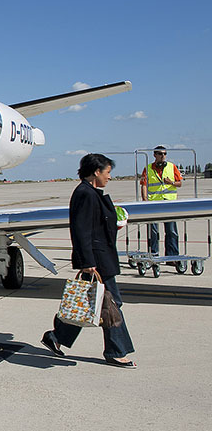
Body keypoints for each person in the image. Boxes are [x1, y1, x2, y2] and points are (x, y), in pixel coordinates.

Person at [41, 153, 136, 368]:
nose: (109, 177)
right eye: (108, 172)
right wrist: (87, 261)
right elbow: (81, 230)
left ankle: (57, 337)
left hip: (98, 257)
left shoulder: (91, 193)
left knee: (87, 304)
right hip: (96, 260)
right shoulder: (85, 194)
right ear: (96, 171)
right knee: (111, 304)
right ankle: (116, 351)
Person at [140, 145, 182, 257]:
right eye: (160, 153)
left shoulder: (172, 167)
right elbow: (144, 185)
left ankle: (172, 255)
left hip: (169, 202)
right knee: (153, 231)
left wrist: (171, 182)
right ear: (154, 155)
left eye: (164, 154)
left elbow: (179, 183)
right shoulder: (148, 168)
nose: (163, 156)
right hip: (154, 203)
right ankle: (154, 253)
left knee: (171, 231)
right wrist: (145, 200)